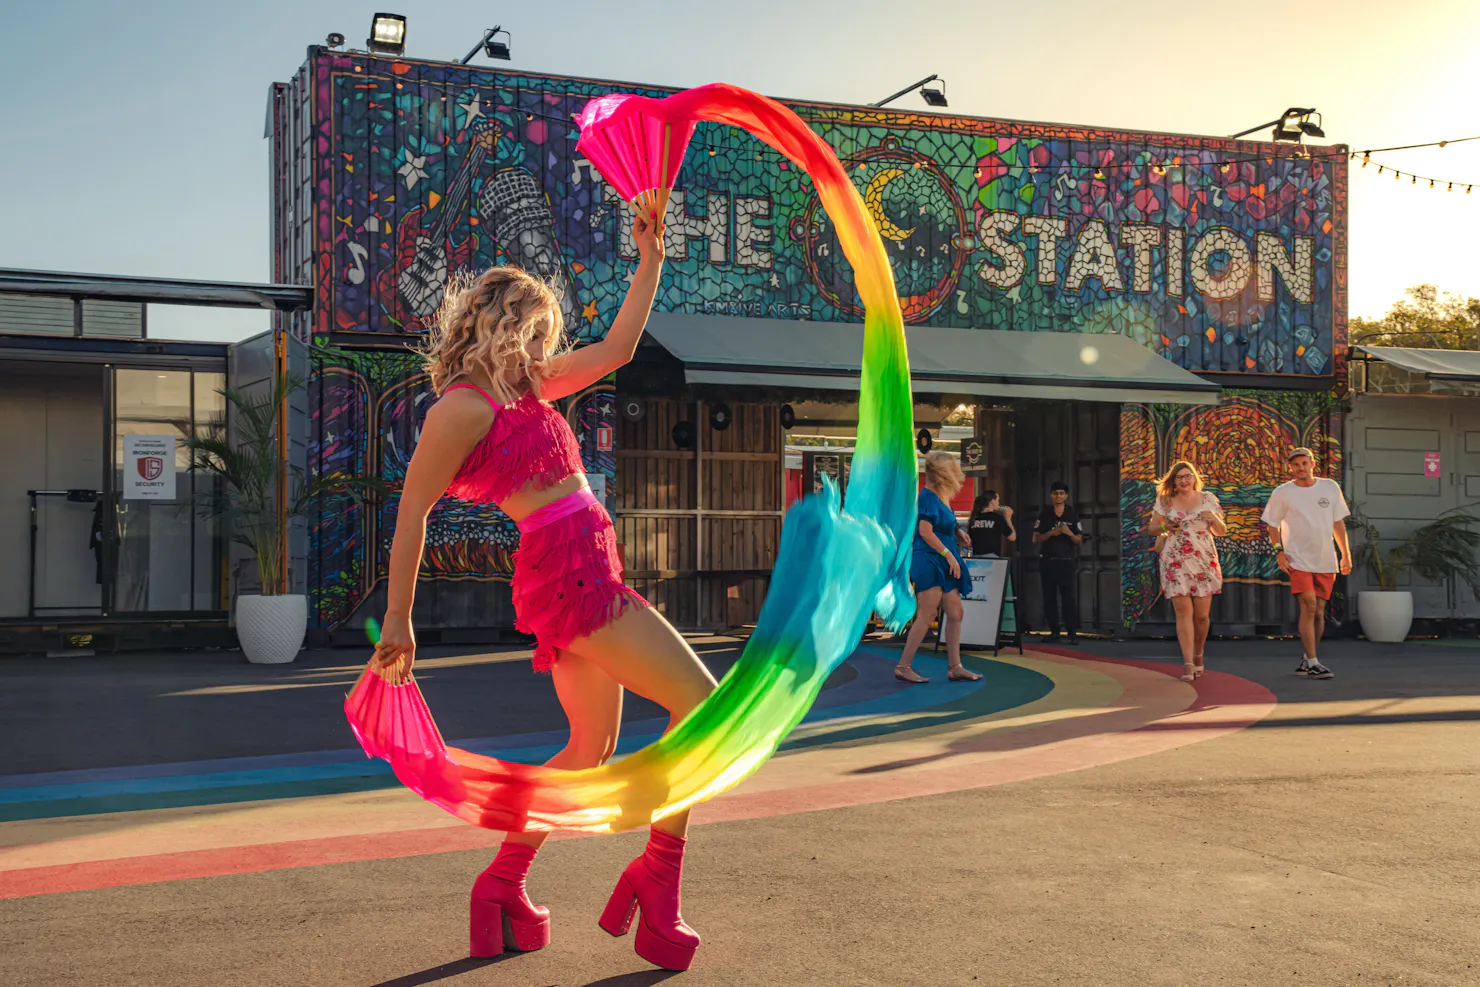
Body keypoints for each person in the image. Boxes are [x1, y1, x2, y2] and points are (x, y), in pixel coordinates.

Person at [369, 215, 716, 971]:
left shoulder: (527, 385)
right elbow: (411, 514)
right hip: (571, 571)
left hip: (587, 563)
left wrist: (649, 257)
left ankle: (502, 886)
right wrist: (397, 617)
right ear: (503, 324)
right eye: (536, 333)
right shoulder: (463, 407)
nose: (544, 349)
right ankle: (656, 884)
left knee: (587, 748)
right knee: (705, 704)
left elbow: (618, 348)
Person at [1261, 446, 1351, 680]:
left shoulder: (1330, 487)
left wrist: (1345, 554)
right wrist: (1279, 551)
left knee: (1319, 612)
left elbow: (1338, 524)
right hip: (1297, 558)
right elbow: (1272, 524)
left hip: (1325, 559)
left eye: (1304, 463)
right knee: (1308, 605)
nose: (1300, 468)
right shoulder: (1283, 492)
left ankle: (1307, 658)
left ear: (1312, 464)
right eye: (1296, 464)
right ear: (1290, 467)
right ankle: (1313, 662)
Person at [894, 451, 983, 684]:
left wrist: (958, 532)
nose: (957, 472)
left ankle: (955, 667)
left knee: (955, 613)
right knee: (928, 614)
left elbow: (942, 524)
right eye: (953, 467)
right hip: (931, 559)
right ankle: (903, 666)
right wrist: (949, 555)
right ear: (944, 472)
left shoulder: (940, 497)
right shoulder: (927, 497)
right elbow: (924, 532)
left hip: (945, 558)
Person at [1144, 461, 1226, 681]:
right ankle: (1188, 663)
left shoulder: (1207, 499)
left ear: (1194, 478)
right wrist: (1164, 527)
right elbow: (1152, 527)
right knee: (1183, 612)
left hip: (1203, 560)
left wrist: (1214, 519)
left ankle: (1198, 654)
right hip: (1175, 559)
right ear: (1173, 481)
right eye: (1179, 477)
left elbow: (1221, 531)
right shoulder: (1165, 501)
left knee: (1201, 617)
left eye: (1187, 476)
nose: (1184, 480)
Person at [1032, 480, 1083, 643]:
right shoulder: (1045, 514)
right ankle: (1054, 631)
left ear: (1066, 496)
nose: (1058, 496)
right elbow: (1035, 538)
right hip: (1048, 561)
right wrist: (1051, 533)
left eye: (1061, 493)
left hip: (1066, 561)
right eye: (1055, 493)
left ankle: (1072, 633)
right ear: (1051, 495)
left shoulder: (1072, 515)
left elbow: (1079, 540)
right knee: (1049, 598)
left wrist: (1068, 533)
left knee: (1068, 598)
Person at [967, 490, 1015, 558]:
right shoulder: (997, 518)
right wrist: (1008, 519)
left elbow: (969, 541)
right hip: (992, 557)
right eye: (998, 500)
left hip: (976, 557)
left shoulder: (975, 518)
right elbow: (1012, 537)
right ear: (992, 501)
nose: (999, 503)